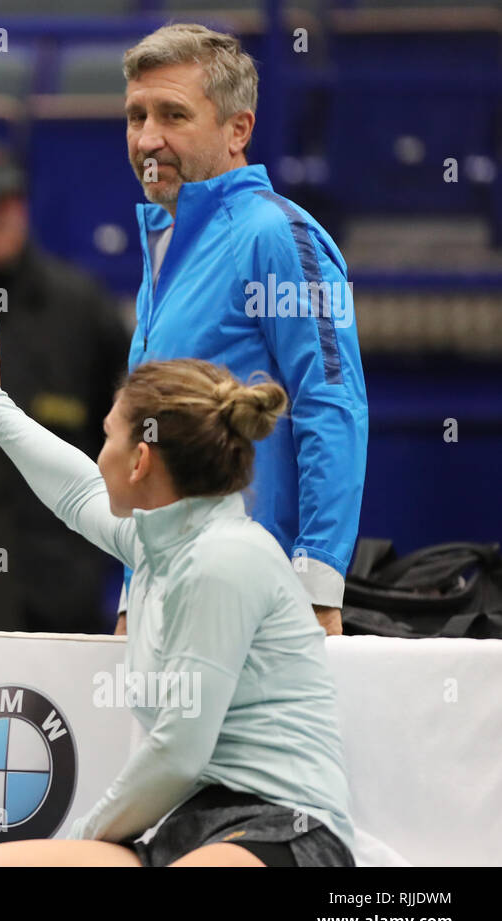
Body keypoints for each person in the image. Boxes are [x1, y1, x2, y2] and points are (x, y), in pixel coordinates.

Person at [0, 283, 356, 867]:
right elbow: (76, 489)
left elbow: (179, 752)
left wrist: (86, 834)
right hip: (182, 827)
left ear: (141, 460)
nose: (97, 451)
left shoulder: (226, 559)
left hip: (284, 829)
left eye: (107, 435)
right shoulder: (159, 542)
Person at [115, 24, 368, 638]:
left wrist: (317, 588)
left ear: (238, 130)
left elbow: (332, 405)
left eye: (173, 115)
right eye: (136, 115)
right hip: (167, 601)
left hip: (260, 604)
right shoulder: (167, 245)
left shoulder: (279, 235)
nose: (149, 139)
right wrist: (132, 595)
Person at [0, 140, 131, 633]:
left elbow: (128, 439)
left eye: (12, 201)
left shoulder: (80, 307)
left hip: (55, 583)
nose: (4, 216)